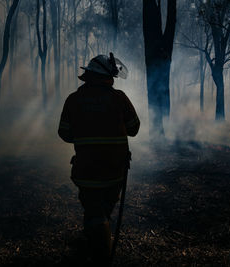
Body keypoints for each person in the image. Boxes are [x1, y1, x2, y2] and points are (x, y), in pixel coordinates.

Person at [58, 53, 140, 265]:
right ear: (106, 76)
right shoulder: (119, 98)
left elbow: (65, 133)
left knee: (94, 211)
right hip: (114, 172)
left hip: (86, 172)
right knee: (103, 211)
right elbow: (134, 129)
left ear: (89, 74)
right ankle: (100, 250)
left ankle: (99, 253)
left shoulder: (74, 100)